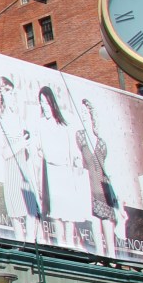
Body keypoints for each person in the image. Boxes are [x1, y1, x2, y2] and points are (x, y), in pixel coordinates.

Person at [34, 87, 89, 247]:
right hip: (52, 172)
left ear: (52, 103)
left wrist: (76, 162)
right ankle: (60, 243)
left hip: (66, 170)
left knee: (69, 212)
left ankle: (70, 242)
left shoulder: (64, 124)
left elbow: (73, 150)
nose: (44, 106)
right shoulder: (41, 124)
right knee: (56, 211)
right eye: (41, 102)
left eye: (46, 102)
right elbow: (40, 150)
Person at [0, 77, 41, 243]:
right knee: (16, 219)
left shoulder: (19, 118)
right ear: (2, 94)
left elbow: (27, 153)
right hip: (12, 174)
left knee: (32, 213)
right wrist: (21, 143)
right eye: (9, 93)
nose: (13, 97)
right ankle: (22, 248)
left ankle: (30, 245)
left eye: (14, 93)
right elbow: (4, 153)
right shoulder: (1, 121)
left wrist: (29, 146)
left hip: (25, 171)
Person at [77, 100, 120, 258]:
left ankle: (112, 262)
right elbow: (78, 161)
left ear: (91, 115)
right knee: (99, 247)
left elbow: (110, 169)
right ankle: (101, 260)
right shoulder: (80, 136)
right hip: (90, 192)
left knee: (110, 247)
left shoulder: (101, 142)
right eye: (81, 112)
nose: (83, 115)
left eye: (85, 112)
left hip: (104, 193)